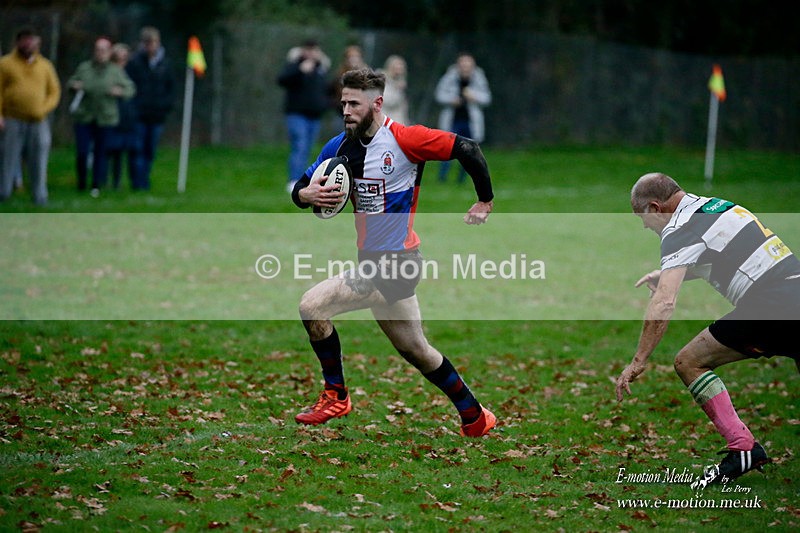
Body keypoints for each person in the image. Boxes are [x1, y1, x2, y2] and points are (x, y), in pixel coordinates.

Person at [290, 68, 497, 437]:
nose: (346, 110)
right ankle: (475, 416)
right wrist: (306, 194)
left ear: (377, 103)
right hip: (372, 262)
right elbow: (302, 188)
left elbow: (467, 148)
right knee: (416, 349)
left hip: (398, 265)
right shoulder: (338, 148)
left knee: (313, 306)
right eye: (343, 103)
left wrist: (484, 199)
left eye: (355, 104)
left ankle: (336, 395)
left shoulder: (406, 140)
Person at [615, 172, 800, 485]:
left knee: (689, 361)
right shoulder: (715, 206)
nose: (645, 226)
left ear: (655, 208)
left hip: (772, 305)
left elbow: (664, 303)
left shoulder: (679, 228)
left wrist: (639, 360)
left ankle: (743, 448)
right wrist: (669, 273)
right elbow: (723, 253)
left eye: (642, 218)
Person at [68, 37, 135, 196]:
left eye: (104, 50)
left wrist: (120, 92)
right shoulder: (84, 68)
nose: (100, 53)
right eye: (98, 49)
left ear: (109, 52)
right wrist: (74, 86)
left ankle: (96, 184)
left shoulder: (115, 71)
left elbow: (130, 89)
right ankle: (81, 182)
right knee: (82, 152)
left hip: (105, 118)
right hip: (84, 116)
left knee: (101, 152)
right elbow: (71, 82)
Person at [0, 29, 60, 206]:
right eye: (25, 40)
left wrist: (43, 109)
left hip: (38, 120)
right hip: (12, 119)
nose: (28, 44)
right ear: (18, 42)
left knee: (39, 158)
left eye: (31, 40)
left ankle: (39, 196)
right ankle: (3, 192)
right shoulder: (6, 64)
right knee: (7, 157)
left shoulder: (45, 66)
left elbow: (54, 92)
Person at [277, 39, 331, 193]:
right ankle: (294, 180)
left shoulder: (321, 68)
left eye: (314, 50)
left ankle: (304, 179)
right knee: (299, 145)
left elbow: (324, 90)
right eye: (309, 49)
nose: (311, 53)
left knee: (307, 148)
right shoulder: (295, 65)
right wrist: (300, 70)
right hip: (297, 114)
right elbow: (281, 80)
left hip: (314, 115)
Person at [125, 27, 176, 191]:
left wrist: (165, 106)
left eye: (153, 42)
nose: (150, 46)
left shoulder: (165, 64)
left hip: (157, 115)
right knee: (137, 149)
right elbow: (128, 86)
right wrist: (133, 108)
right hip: (139, 115)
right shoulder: (134, 63)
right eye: (147, 43)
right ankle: (137, 182)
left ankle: (144, 180)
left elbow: (171, 89)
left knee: (149, 150)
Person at [435, 53, 491, 184]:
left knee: (469, 151)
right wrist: (452, 100)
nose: (465, 68)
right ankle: (442, 178)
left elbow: (487, 98)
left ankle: (462, 179)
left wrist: (473, 96)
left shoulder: (479, 78)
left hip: (471, 122)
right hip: (453, 120)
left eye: (468, 65)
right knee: (447, 149)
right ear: (458, 65)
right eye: (463, 65)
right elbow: (439, 95)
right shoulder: (450, 77)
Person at [106, 43, 138, 190]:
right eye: (118, 58)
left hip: (126, 117)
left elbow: (133, 91)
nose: (122, 61)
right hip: (108, 116)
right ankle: (102, 179)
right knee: (107, 150)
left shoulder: (130, 72)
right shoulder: (108, 71)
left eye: (124, 58)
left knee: (121, 151)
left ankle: (118, 182)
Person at [380, 55, 409, 125]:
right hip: (384, 120)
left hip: (397, 122)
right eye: (397, 67)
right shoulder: (381, 80)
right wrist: (397, 90)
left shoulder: (401, 84)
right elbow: (388, 101)